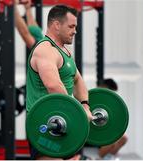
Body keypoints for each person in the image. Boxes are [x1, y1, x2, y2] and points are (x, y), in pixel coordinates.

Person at [25, 5, 93, 160]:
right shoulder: (45, 50)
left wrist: (84, 105)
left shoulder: (64, 51)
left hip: (63, 122)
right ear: (56, 25)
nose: (75, 31)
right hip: (44, 124)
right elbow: (53, 86)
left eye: (75, 26)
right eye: (71, 26)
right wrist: (78, 113)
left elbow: (78, 81)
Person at [97, 78, 128, 159]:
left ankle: (107, 157)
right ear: (101, 87)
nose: (112, 95)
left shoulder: (111, 105)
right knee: (113, 140)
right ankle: (100, 157)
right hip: (92, 134)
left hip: (103, 133)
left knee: (123, 138)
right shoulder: (93, 99)